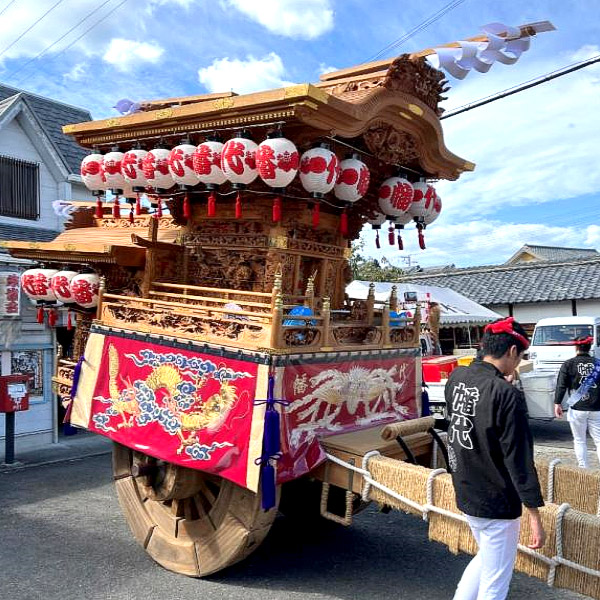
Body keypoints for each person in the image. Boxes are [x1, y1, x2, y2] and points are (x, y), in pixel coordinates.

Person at [446, 316, 545, 600]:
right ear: (512, 352)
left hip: (466, 490)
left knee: (486, 559)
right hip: (496, 500)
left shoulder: (457, 377)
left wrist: (501, 382)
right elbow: (519, 459)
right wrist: (535, 513)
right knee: (495, 582)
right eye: (520, 356)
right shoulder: (506, 394)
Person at [554, 335, 600, 468]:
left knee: (579, 440)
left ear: (576, 347)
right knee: (599, 440)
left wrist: (557, 403)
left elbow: (561, 385)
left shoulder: (568, 364)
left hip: (577, 407)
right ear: (590, 347)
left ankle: (583, 469)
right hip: (597, 407)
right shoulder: (598, 364)